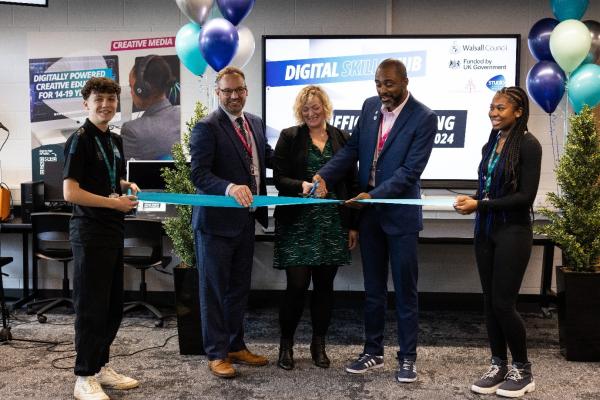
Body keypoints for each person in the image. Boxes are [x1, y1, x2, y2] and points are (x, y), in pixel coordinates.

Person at [313, 58, 437, 383]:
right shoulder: (369, 107)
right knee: (373, 290)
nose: (383, 90)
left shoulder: (424, 117)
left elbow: (410, 172)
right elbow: (350, 150)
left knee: (406, 291)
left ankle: (407, 357)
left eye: (389, 84)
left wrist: (375, 194)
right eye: (379, 84)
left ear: (405, 82)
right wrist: (324, 175)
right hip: (369, 216)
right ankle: (373, 351)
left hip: (399, 215)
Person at [454, 86, 541, 398]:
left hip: (513, 233)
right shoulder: (492, 143)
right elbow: (491, 189)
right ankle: (498, 365)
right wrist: (474, 199)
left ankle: (523, 370)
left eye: (501, 108)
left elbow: (523, 197)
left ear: (517, 112)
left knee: (504, 304)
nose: (493, 112)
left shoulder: (529, 145)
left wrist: (481, 205)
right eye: (492, 107)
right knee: (490, 303)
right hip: (486, 231)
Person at [190, 66, 273, 379]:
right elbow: (198, 174)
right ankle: (216, 353)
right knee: (213, 290)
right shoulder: (206, 127)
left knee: (238, 289)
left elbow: (265, 158)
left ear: (246, 90)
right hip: (215, 225)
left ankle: (236, 345)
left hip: (245, 222)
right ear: (218, 93)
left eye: (239, 90)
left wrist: (303, 179)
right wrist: (229, 187)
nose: (234, 96)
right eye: (227, 91)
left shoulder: (254, 122)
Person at [63, 77, 140, 400]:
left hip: (112, 229)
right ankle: (84, 376)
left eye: (111, 99)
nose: (105, 105)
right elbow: (71, 192)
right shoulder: (79, 140)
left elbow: (105, 177)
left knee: (111, 307)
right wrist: (114, 202)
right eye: (99, 100)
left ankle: (101, 365)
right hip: (90, 232)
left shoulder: (114, 140)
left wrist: (124, 185)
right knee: (91, 307)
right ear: (86, 104)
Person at [272, 85, 358, 370]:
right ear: (300, 110)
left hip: (332, 224)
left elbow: (352, 184)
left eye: (315, 108)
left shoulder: (342, 138)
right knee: (296, 286)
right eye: (305, 109)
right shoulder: (289, 137)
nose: (311, 113)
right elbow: (279, 179)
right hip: (297, 223)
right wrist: (303, 185)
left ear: (325, 107)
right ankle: (286, 344)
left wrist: (352, 226)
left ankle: (318, 344)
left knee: (324, 287)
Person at [120, 54, 181, 160]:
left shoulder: (132, 131)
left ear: (141, 89)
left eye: (131, 86)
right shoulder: (185, 116)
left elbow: (129, 175)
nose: (131, 92)